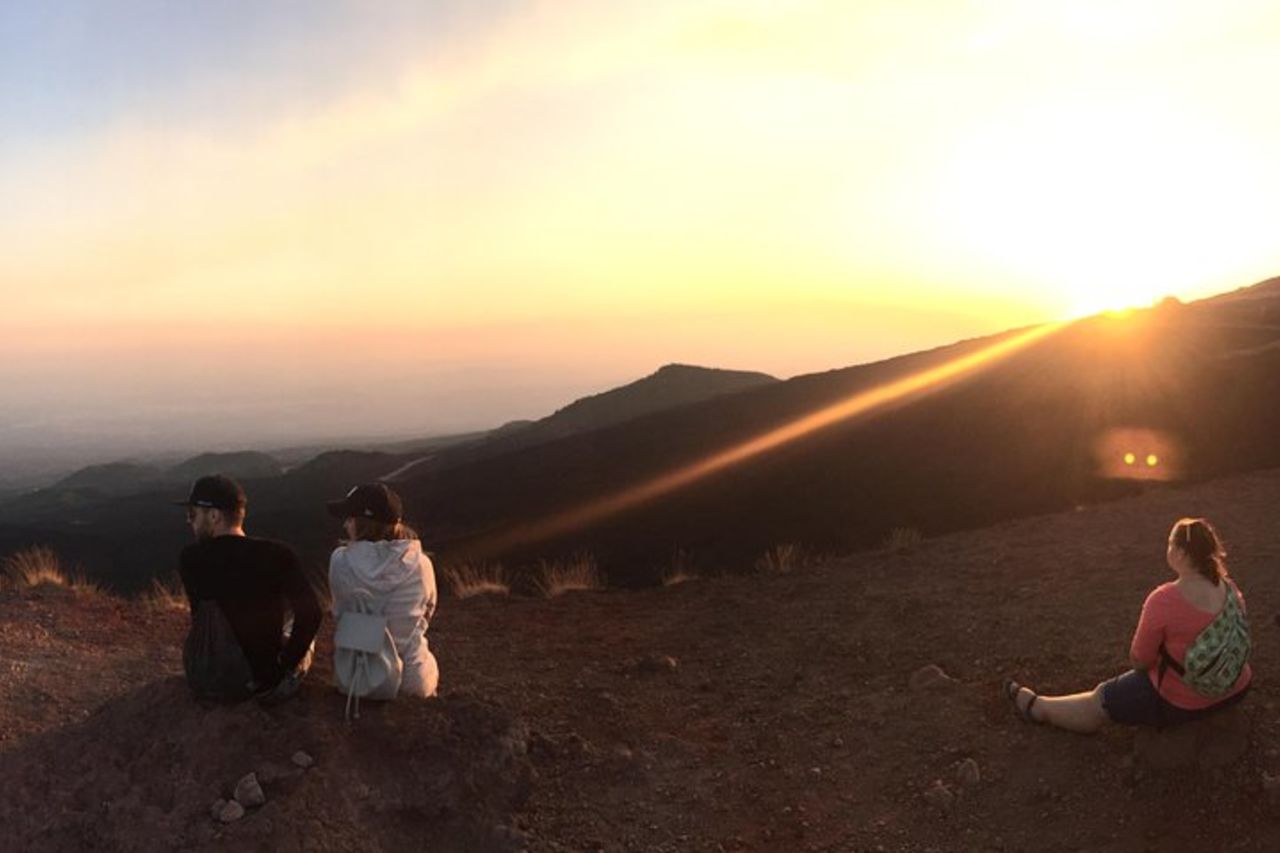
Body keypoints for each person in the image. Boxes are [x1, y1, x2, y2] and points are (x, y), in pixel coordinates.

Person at [1005, 517, 1251, 732]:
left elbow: (1140, 660)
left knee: (1099, 700)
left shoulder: (1164, 599)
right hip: (1237, 688)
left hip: (1181, 701)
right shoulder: (1230, 588)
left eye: (1170, 544)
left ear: (1181, 554)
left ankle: (1039, 708)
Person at [176, 474, 322, 703]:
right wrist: (284, 663)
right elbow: (312, 614)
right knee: (296, 628)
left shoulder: (190, 559)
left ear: (214, 516)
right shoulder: (278, 554)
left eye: (192, 514)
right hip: (262, 682)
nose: (189, 521)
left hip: (205, 678)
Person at [327, 483, 439, 699]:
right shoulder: (421, 564)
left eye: (349, 518)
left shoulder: (340, 561)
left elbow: (339, 613)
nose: (345, 525)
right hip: (411, 681)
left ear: (358, 524)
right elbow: (427, 613)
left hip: (356, 677)